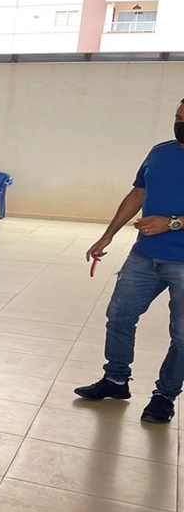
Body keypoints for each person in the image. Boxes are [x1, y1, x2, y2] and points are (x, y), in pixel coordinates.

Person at [76, 99, 184, 424]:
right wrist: (107, 235)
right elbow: (137, 194)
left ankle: (164, 396)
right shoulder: (159, 151)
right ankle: (116, 380)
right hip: (144, 256)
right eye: (178, 117)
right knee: (120, 317)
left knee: (181, 335)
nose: (179, 124)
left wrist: (174, 222)